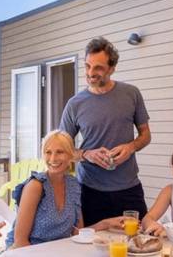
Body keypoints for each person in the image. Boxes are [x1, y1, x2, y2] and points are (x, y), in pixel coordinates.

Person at [59, 37, 152, 226]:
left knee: (138, 242)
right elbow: (62, 150)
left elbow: (146, 135)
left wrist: (131, 147)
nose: (91, 73)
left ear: (112, 68)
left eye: (98, 68)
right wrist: (87, 154)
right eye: (87, 66)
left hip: (129, 190)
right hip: (90, 191)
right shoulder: (74, 104)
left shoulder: (131, 94)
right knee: (90, 249)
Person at [7, 130, 121, 248]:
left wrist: (106, 223)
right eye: (48, 152)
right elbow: (20, 241)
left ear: (71, 155)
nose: (53, 158)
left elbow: (78, 233)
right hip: (27, 254)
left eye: (60, 152)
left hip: (58, 253)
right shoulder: (35, 185)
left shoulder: (73, 185)